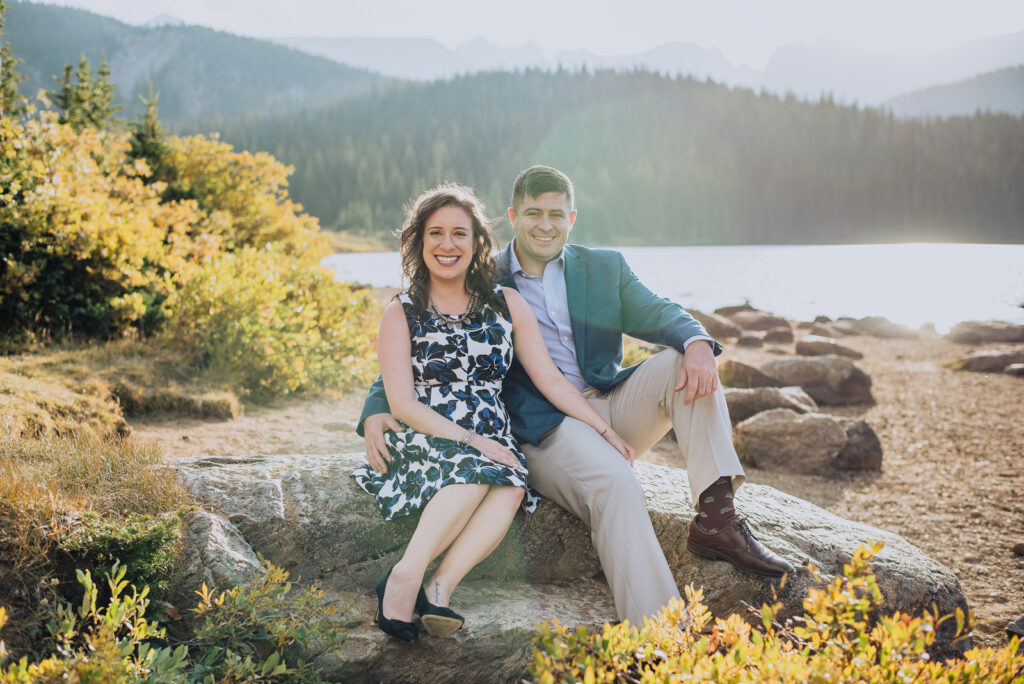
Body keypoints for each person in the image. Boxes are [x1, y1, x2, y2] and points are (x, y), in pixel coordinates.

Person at [360, 166, 793, 627]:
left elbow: (660, 310)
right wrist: (376, 408)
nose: (545, 224)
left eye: (556, 214)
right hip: (545, 426)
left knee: (679, 361)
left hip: (607, 403)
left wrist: (699, 343)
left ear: (572, 218)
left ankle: (716, 517)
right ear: (512, 216)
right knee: (616, 484)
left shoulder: (604, 267)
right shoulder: (481, 273)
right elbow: (429, 347)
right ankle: (660, 637)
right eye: (533, 213)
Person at [352, 182, 634, 642]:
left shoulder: (507, 304)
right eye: (436, 233)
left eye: (459, 234)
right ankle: (403, 577)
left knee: (511, 484)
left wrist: (602, 428)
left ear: (477, 242)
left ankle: (438, 589)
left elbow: (550, 379)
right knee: (481, 469)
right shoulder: (401, 311)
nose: (447, 245)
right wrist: (471, 440)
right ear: (419, 243)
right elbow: (401, 402)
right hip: (428, 434)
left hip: (490, 434)